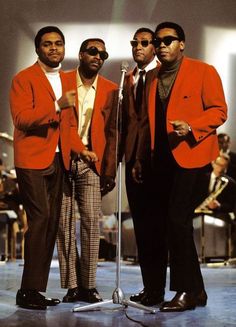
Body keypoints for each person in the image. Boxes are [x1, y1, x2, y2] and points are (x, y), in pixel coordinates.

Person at [132, 21, 227, 311]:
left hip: (193, 157)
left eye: (169, 40)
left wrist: (194, 126)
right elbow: (146, 123)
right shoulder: (151, 77)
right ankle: (196, 291)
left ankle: (185, 291)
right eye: (158, 41)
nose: (161, 45)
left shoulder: (203, 71)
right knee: (168, 224)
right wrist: (139, 157)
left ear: (182, 44)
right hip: (160, 161)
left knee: (177, 220)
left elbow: (219, 110)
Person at [10, 26, 94, 310]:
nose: (54, 49)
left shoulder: (67, 80)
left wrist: (81, 150)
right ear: (38, 49)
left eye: (59, 44)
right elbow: (21, 119)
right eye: (48, 44)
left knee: (51, 223)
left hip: (58, 160)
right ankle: (27, 290)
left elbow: (69, 126)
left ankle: (35, 289)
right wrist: (56, 106)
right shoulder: (24, 78)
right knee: (41, 220)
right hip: (32, 159)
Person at [57, 38, 118, 303]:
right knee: (64, 223)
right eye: (93, 51)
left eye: (102, 54)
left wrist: (109, 169)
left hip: (92, 164)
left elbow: (114, 133)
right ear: (81, 54)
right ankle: (72, 285)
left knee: (92, 223)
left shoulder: (111, 89)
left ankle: (89, 285)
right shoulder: (62, 81)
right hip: (62, 159)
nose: (98, 57)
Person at [120, 27, 160, 306]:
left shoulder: (163, 74)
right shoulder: (130, 77)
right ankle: (150, 289)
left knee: (158, 229)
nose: (138, 47)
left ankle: (159, 290)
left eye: (144, 43)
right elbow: (130, 122)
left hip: (156, 161)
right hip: (132, 160)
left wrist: (143, 158)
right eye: (135, 43)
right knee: (143, 228)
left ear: (154, 47)